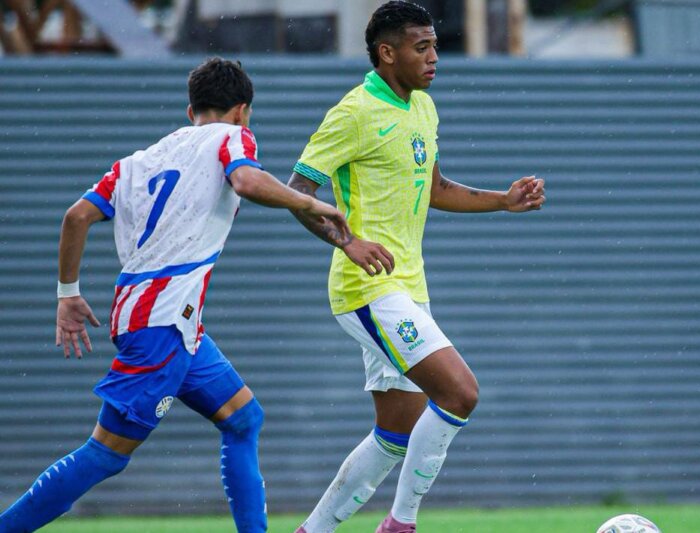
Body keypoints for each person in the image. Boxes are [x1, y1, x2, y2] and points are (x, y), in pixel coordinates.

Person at [0, 57, 350, 533]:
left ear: (190, 111)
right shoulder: (233, 137)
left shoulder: (136, 163)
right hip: (161, 323)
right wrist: (311, 201)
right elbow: (246, 181)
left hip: (162, 319)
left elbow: (76, 216)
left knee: (244, 417)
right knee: (106, 453)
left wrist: (68, 293)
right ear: (242, 111)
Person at [287, 2, 546, 532]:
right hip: (367, 288)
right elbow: (298, 191)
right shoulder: (355, 112)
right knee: (460, 392)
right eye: (421, 47)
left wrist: (503, 201)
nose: (434, 58)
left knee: (395, 432)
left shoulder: (423, 107)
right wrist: (348, 241)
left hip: (408, 287)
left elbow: (435, 188)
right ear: (387, 53)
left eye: (434, 46)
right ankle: (401, 524)